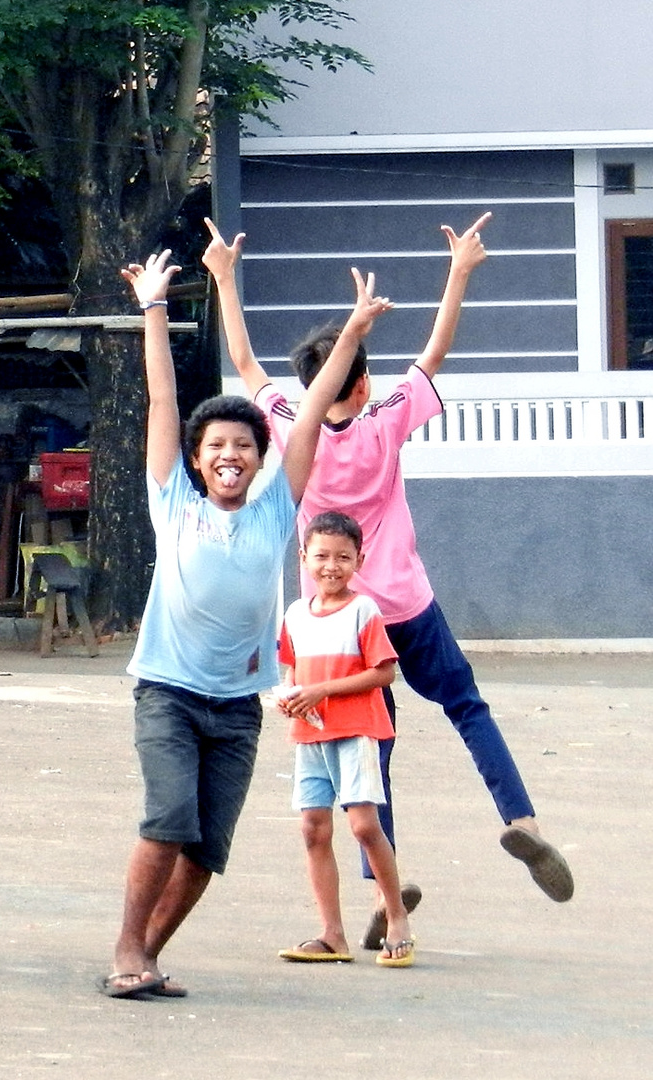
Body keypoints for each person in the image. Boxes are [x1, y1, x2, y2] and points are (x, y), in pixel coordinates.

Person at [205, 213, 574, 911]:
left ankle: (383, 883)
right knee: (465, 705)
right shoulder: (386, 417)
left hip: (337, 616)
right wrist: (458, 272)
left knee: (373, 747)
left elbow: (246, 362)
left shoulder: (288, 421)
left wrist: (223, 276)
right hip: (403, 601)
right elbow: (433, 354)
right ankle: (518, 818)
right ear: (363, 385)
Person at [103, 251, 390, 1001]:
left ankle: (149, 955)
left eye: (242, 445)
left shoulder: (274, 509)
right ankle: (126, 948)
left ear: (260, 458)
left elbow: (314, 416)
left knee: (203, 851)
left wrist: (354, 331)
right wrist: (153, 308)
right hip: (166, 690)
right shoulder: (173, 503)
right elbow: (163, 402)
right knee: (167, 819)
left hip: (235, 707)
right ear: (196, 464)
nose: (229, 454)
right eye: (215, 447)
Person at [275, 511, 413, 968]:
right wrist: (292, 695)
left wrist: (321, 691)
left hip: (355, 732)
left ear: (360, 560)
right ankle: (332, 934)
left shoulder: (363, 611)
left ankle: (395, 916)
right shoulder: (296, 614)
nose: (330, 566)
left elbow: (383, 672)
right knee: (313, 829)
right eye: (321, 556)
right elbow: (292, 668)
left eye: (343, 557)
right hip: (311, 735)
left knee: (364, 826)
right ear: (303, 558)